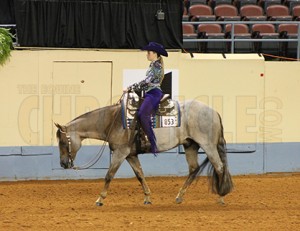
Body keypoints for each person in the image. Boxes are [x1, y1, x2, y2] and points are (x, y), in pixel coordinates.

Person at [125, 42, 168, 155]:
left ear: (155, 53)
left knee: (142, 114)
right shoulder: (153, 65)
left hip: (154, 93)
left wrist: (130, 87)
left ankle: (150, 142)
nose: (147, 54)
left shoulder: (157, 66)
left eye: (149, 52)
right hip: (150, 93)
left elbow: (147, 81)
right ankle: (141, 138)